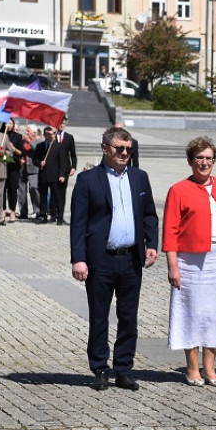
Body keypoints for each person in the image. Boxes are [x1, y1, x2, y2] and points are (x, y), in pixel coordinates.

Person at [70, 126, 159, 392]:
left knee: (129, 317)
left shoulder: (139, 178)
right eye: (119, 148)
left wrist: (152, 243)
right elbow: (78, 223)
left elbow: (149, 215)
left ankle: (123, 369)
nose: (124, 153)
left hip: (131, 258)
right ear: (105, 148)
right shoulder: (88, 180)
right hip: (101, 259)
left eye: (128, 149)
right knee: (99, 316)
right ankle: (99, 369)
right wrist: (79, 258)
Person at [163, 136, 216, 388]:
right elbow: (169, 231)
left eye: (209, 158)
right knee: (192, 311)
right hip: (190, 260)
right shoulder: (178, 190)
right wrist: (173, 266)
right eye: (199, 158)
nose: (205, 162)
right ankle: (191, 367)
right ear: (190, 161)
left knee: (215, 313)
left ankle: (210, 367)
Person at [51, 119, 78, 225]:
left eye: (63, 123)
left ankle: (60, 216)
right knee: (53, 191)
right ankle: (53, 214)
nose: (61, 125)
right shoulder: (52, 136)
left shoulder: (69, 137)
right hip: (53, 168)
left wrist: (74, 167)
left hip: (65, 168)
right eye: (59, 123)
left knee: (61, 193)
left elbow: (73, 154)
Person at [1, 119, 24, 222]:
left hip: (13, 166)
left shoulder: (18, 137)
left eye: (10, 123)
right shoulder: (0, 135)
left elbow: (21, 153)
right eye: (7, 123)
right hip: (2, 165)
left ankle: (12, 211)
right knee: (2, 189)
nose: (8, 125)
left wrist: (13, 148)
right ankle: (2, 210)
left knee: (12, 189)